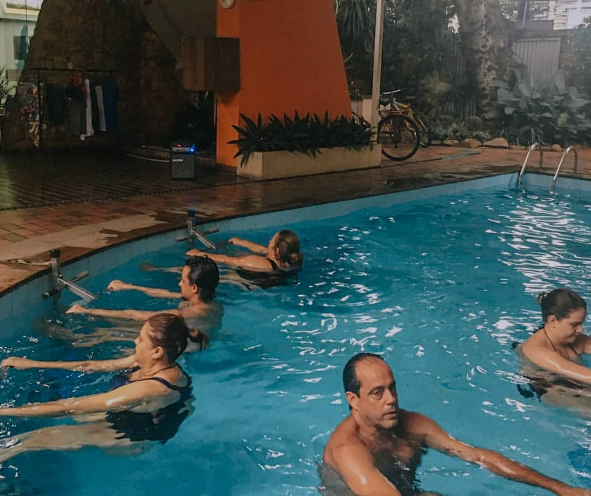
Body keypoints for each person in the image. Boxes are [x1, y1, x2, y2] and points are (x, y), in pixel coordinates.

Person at [320, 353, 590, 496]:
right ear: (353, 400)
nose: (391, 399)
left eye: (392, 388)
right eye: (377, 393)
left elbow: (478, 456)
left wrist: (559, 487)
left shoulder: (412, 424)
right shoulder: (348, 450)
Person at [0, 313, 192, 462]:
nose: (135, 341)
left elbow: (71, 407)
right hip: (129, 415)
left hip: (130, 438)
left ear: (157, 352)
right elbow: (91, 366)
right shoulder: (148, 362)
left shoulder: (148, 390)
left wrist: (5, 412)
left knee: (36, 438)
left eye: (141, 339)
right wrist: (31, 364)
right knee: (70, 413)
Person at [66, 256, 223, 352]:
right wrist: (128, 286)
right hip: (190, 341)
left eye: (182, 281)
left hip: (182, 351)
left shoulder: (185, 314)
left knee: (115, 332)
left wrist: (87, 311)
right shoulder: (212, 304)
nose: (179, 284)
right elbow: (164, 293)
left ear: (194, 288)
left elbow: (136, 315)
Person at [517, 288, 591, 404]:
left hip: (574, 383)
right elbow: (580, 374)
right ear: (553, 321)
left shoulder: (576, 339)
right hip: (548, 387)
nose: (580, 330)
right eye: (574, 324)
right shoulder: (536, 349)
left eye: (581, 323)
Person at [187, 230, 303, 289]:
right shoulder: (292, 260)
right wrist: (241, 242)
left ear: (276, 251)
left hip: (249, 283)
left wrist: (199, 254)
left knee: (202, 274)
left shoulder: (259, 262)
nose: (268, 242)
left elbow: (226, 260)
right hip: (271, 281)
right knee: (243, 255)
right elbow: (262, 249)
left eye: (271, 241)